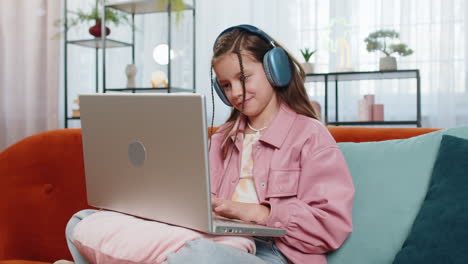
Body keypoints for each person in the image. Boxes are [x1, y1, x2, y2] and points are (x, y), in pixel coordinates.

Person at [65, 25, 354, 264]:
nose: (236, 92)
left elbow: (329, 227)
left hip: (274, 254)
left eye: (243, 78)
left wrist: (254, 212)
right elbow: (199, 207)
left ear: (275, 70)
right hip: (219, 240)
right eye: (226, 85)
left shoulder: (310, 136)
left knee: (195, 256)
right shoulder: (222, 139)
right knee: (83, 222)